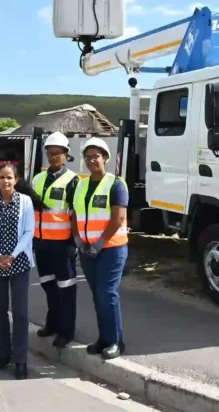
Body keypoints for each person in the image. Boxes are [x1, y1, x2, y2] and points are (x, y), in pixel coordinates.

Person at [70, 137, 129, 360]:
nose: (92, 160)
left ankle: (115, 341)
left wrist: (99, 244)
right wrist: (78, 240)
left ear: (105, 158)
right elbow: (74, 214)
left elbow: (118, 218)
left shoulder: (116, 184)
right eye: (88, 157)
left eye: (96, 156)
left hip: (111, 249)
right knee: (98, 294)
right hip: (87, 250)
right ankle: (104, 338)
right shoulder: (81, 184)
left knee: (107, 293)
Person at [0, 163, 37, 379]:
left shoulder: (25, 201)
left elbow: (29, 231)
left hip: (19, 261)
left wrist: (12, 255)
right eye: (2, 177)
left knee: (20, 313)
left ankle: (20, 360)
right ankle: (4, 355)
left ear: (16, 180)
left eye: (10, 177)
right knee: (1, 311)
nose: (6, 181)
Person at [31, 132, 79, 348]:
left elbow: (76, 213)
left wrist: (74, 242)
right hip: (41, 243)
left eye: (57, 153)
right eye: (50, 153)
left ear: (66, 154)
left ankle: (66, 331)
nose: (53, 157)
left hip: (62, 244)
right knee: (48, 285)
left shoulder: (73, 180)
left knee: (66, 288)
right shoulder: (38, 179)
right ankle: (52, 323)